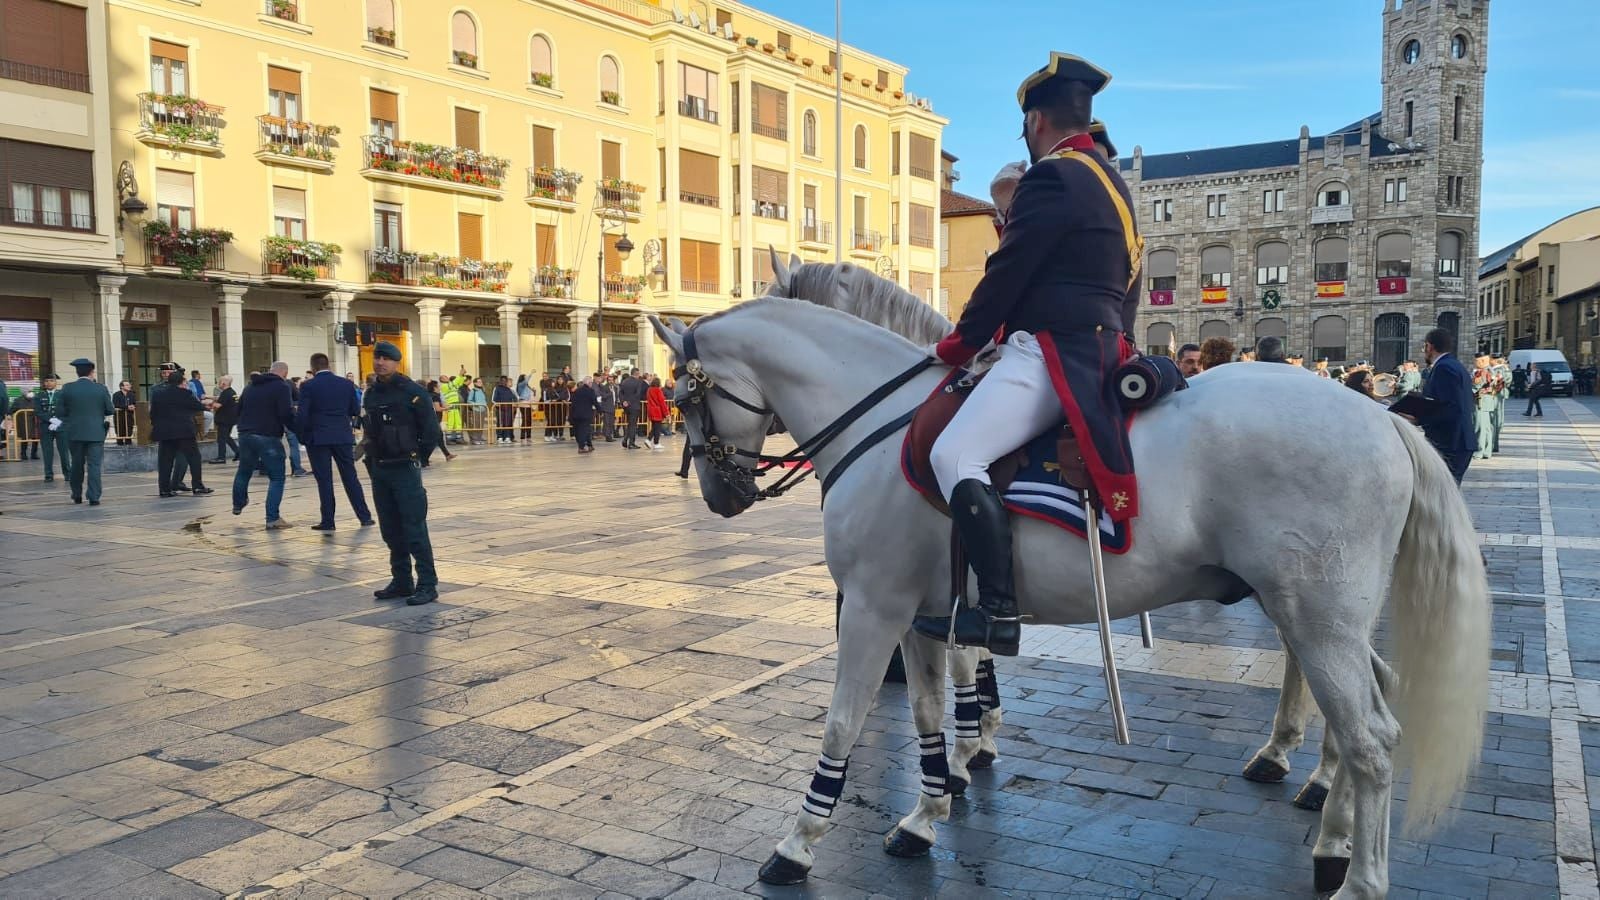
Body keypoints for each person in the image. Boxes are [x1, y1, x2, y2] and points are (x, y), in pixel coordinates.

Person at [912, 52, 1138, 656]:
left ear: (1036, 122)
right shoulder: (1111, 182)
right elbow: (1131, 281)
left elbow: (1007, 275)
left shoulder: (1053, 175)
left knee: (955, 454)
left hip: (1051, 350)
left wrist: (957, 345)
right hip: (1104, 344)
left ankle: (998, 611)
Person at [363, 341, 441, 606]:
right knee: (390, 529)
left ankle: (427, 584)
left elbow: (431, 432)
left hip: (405, 468)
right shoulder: (371, 393)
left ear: (397, 362)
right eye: (377, 358)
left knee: (414, 528)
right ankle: (402, 580)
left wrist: (418, 456)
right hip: (380, 467)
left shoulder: (413, 392)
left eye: (386, 358)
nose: (380, 362)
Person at [298, 352, 374, 532]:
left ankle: (328, 521)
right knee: (350, 477)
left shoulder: (308, 386)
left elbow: (302, 414)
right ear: (328, 365)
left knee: (324, 480)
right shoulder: (346, 384)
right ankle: (365, 516)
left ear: (313, 367)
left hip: (318, 437)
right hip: (342, 435)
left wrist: (302, 435)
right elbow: (354, 409)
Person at [1407, 328, 1476, 485]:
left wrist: (1417, 418)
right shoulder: (1454, 365)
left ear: (1429, 346)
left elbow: (1450, 408)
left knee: (1441, 496)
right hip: (1456, 441)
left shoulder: (1444, 368)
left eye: (1424, 347)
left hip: (1450, 443)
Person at [233, 361, 295, 528]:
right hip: (268, 436)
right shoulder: (281, 387)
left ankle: (238, 503)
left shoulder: (250, 387)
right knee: (276, 477)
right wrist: (297, 428)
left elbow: (237, 410)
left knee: (244, 471)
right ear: (284, 373)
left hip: (245, 434)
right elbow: (285, 413)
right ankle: (272, 518)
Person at [58, 358, 114, 505]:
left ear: (77, 372)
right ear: (91, 372)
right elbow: (110, 409)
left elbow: (60, 411)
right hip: (96, 433)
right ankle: (94, 496)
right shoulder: (100, 388)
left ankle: (76, 494)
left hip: (74, 432)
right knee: (94, 465)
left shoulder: (67, 388)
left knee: (76, 464)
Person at [150, 368, 213, 497]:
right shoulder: (186, 394)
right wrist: (208, 405)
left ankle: (164, 489)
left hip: (164, 432)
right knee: (194, 457)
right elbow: (198, 406)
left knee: (165, 461)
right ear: (181, 382)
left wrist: (158, 425)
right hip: (184, 432)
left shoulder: (157, 394)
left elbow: (153, 413)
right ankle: (197, 485)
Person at [34, 373, 70, 483]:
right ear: (44, 383)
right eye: (47, 381)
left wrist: (58, 421)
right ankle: (48, 475)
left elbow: (67, 410)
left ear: (56, 382)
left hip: (61, 426)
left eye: (51, 380)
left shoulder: (63, 394)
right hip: (46, 426)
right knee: (47, 452)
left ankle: (67, 473)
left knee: (64, 451)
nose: (49, 383)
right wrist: (50, 419)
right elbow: (38, 411)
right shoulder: (39, 396)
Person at [1472, 354, 1500, 461]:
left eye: (1477, 360)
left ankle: (1479, 451)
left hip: (1480, 401)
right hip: (1488, 401)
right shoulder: (1491, 371)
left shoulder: (1481, 372)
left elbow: (1476, 386)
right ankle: (1487, 451)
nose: (1475, 362)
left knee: (1480, 427)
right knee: (1487, 428)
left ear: (1482, 361)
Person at [210, 375, 240, 463]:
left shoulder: (226, 393)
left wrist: (206, 405)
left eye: (219, 382)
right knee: (226, 437)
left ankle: (221, 457)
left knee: (221, 439)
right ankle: (238, 452)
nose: (218, 383)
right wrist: (209, 398)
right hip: (231, 419)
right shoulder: (232, 392)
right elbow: (220, 399)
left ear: (223, 383)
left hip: (224, 419)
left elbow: (218, 405)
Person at [569, 375, 601, 452]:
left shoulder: (577, 391)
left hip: (576, 414)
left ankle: (590, 445)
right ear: (589, 383)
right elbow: (595, 402)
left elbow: (573, 403)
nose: (591, 384)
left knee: (585, 430)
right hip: (586, 414)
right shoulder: (590, 391)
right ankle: (581, 447)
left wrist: (571, 415)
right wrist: (600, 410)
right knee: (583, 431)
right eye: (591, 383)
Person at [619, 367, 647, 449]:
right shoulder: (638, 382)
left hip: (626, 406)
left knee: (630, 423)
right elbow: (637, 394)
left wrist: (623, 401)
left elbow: (620, 393)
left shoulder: (624, 381)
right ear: (637, 374)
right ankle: (631, 443)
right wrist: (629, 402)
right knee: (633, 425)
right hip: (634, 406)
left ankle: (625, 440)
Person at [1491, 356, 1512, 452]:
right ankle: (1493, 445)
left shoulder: (1500, 369)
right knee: (1496, 421)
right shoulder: (1502, 369)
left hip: (1496, 396)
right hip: (1497, 396)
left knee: (1496, 421)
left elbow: (1507, 381)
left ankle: (1492, 444)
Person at [646, 376, 670, 450]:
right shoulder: (658, 390)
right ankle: (655, 443)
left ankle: (649, 440)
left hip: (650, 410)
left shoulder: (649, 390)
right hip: (657, 411)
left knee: (655, 427)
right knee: (657, 427)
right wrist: (666, 413)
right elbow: (661, 402)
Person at [492, 376, 517, 443]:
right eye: (502, 380)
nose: (504, 382)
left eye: (505, 380)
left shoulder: (508, 389)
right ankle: (499, 437)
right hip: (500, 409)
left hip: (508, 409)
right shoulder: (497, 388)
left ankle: (507, 437)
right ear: (500, 381)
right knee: (500, 423)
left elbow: (513, 398)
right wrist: (498, 404)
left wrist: (514, 403)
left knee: (507, 423)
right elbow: (493, 399)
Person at [112, 380, 137, 446]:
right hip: (119, 415)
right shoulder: (116, 394)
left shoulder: (132, 394)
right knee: (120, 430)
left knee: (129, 430)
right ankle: (119, 443)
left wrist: (133, 406)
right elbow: (116, 404)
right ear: (121, 387)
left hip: (129, 415)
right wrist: (127, 407)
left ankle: (128, 444)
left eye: (129, 385)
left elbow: (135, 403)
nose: (129, 386)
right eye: (127, 385)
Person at [596, 374, 619, 442]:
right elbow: (603, 396)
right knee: (607, 423)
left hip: (613, 407)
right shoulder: (604, 387)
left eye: (612, 380)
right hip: (606, 407)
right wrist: (610, 393)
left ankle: (610, 435)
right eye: (609, 380)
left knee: (611, 422)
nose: (611, 381)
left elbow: (616, 396)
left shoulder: (615, 387)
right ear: (607, 380)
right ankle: (607, 437)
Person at [515, 373, 535, 442]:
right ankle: (522, 437)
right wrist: (530, 374)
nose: (526, 378)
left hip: (528, 403)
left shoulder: (527, 386)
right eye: (525, 377)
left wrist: (534, 391)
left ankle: (528, 436)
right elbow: (525, 381)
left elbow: (530, 394)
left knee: (529, 420)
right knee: (525, 420)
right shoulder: (520, 385)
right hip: (523, 403)